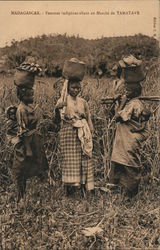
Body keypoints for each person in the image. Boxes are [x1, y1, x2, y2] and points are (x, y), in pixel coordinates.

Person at [109, 82, 151, 197]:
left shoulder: (133, 104)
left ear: (136, 93)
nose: (125, 93)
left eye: (128, 91)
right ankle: (120, 192)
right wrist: (118, 102)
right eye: (125, 90)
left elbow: (118, 117)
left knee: (129, 162)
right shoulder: (132, 103)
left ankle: (129, 193)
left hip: (129, 139)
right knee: (122, 160)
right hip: (125, 139)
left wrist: (121, 102)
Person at [56, 76, 94, 196]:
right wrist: (56, 109)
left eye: (78, 88)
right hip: (68, 133)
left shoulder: (83, 101)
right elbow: (57, 120)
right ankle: (70, 189)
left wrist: (91, 128)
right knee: (69, 160)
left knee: (83, 158)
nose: (76, 90)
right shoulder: (62, 100)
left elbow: (88, 116)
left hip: (82, 132)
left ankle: (83, 187)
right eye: (73, 87)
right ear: (68, 87)